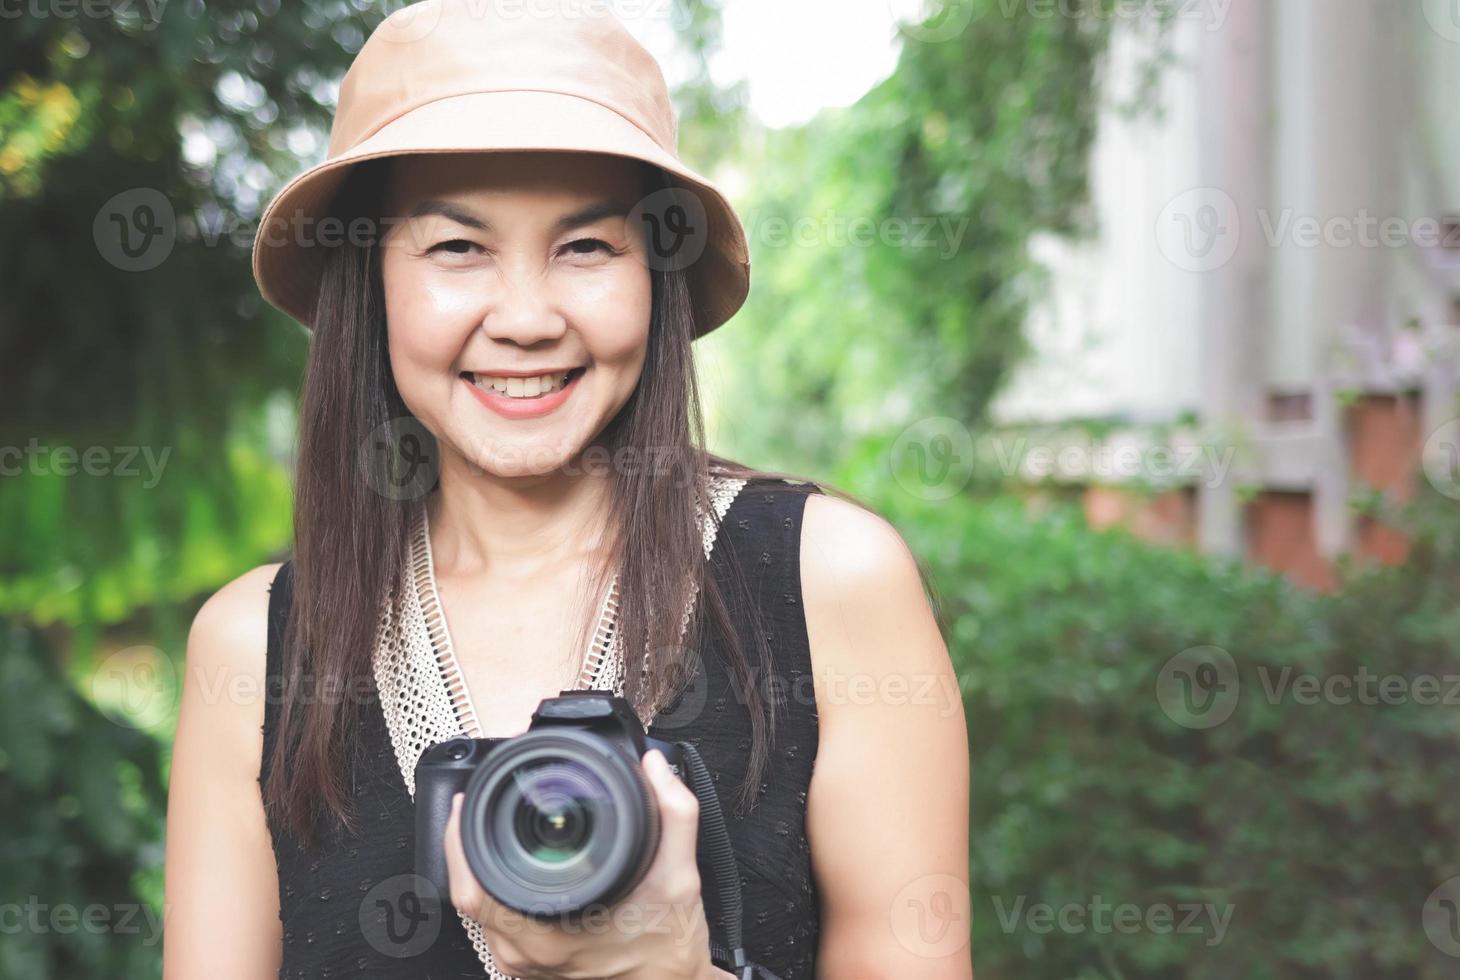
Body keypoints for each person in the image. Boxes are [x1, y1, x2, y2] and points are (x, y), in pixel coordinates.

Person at [162, 2, 970, 977]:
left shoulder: (829, 583)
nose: (528, 317)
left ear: (656, 276)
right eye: (457, 247)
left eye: (587, 247)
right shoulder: (254, 647)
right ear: (367, 280)